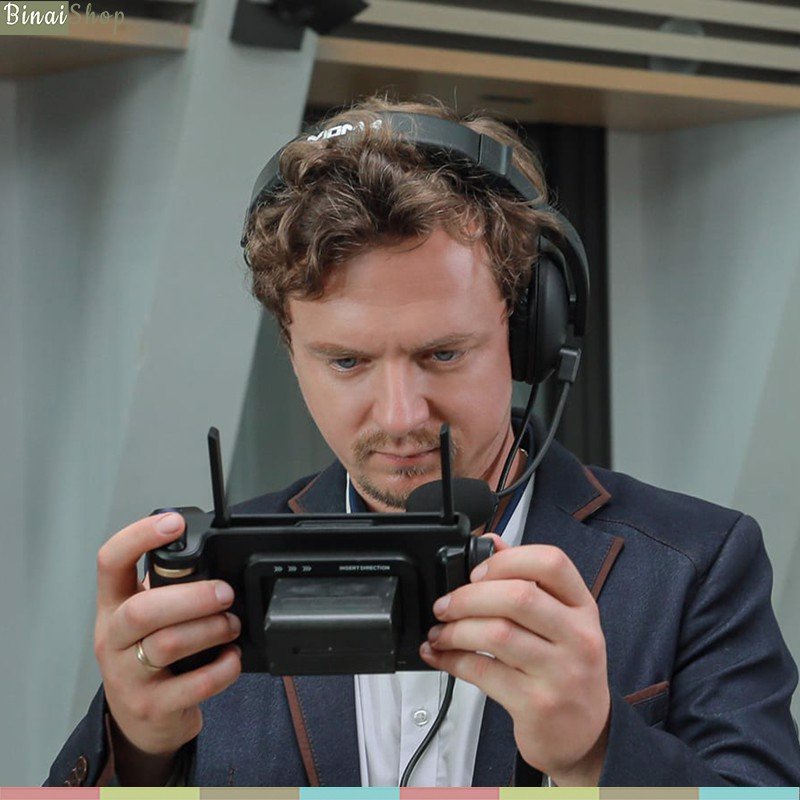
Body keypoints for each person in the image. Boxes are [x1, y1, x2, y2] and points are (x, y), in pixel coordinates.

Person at [47, 97, 800, 788]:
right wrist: (137, 749)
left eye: (443, 354)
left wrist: (599, 749)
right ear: (290, 348)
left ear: (529, 334)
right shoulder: (199, 591)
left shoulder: (696, 564)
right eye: (347, 362)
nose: (402, 415)